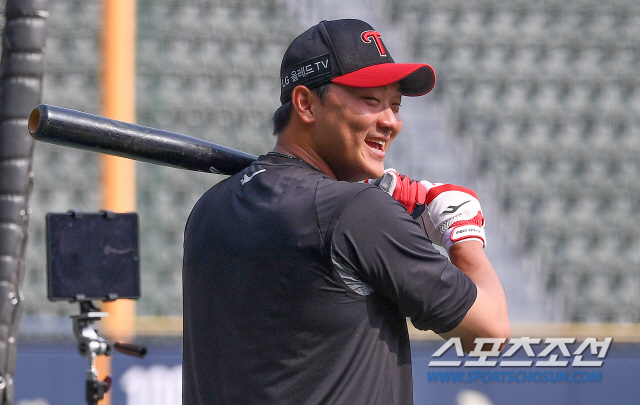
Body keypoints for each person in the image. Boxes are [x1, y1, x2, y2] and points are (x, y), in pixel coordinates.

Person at [182, 18, 509, 404]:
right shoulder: (357, 212)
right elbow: (490, 335)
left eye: (395, 105)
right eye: (371, 101)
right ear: (306, 104)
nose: (390, 122)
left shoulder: (208, 209)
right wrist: (462, 230)